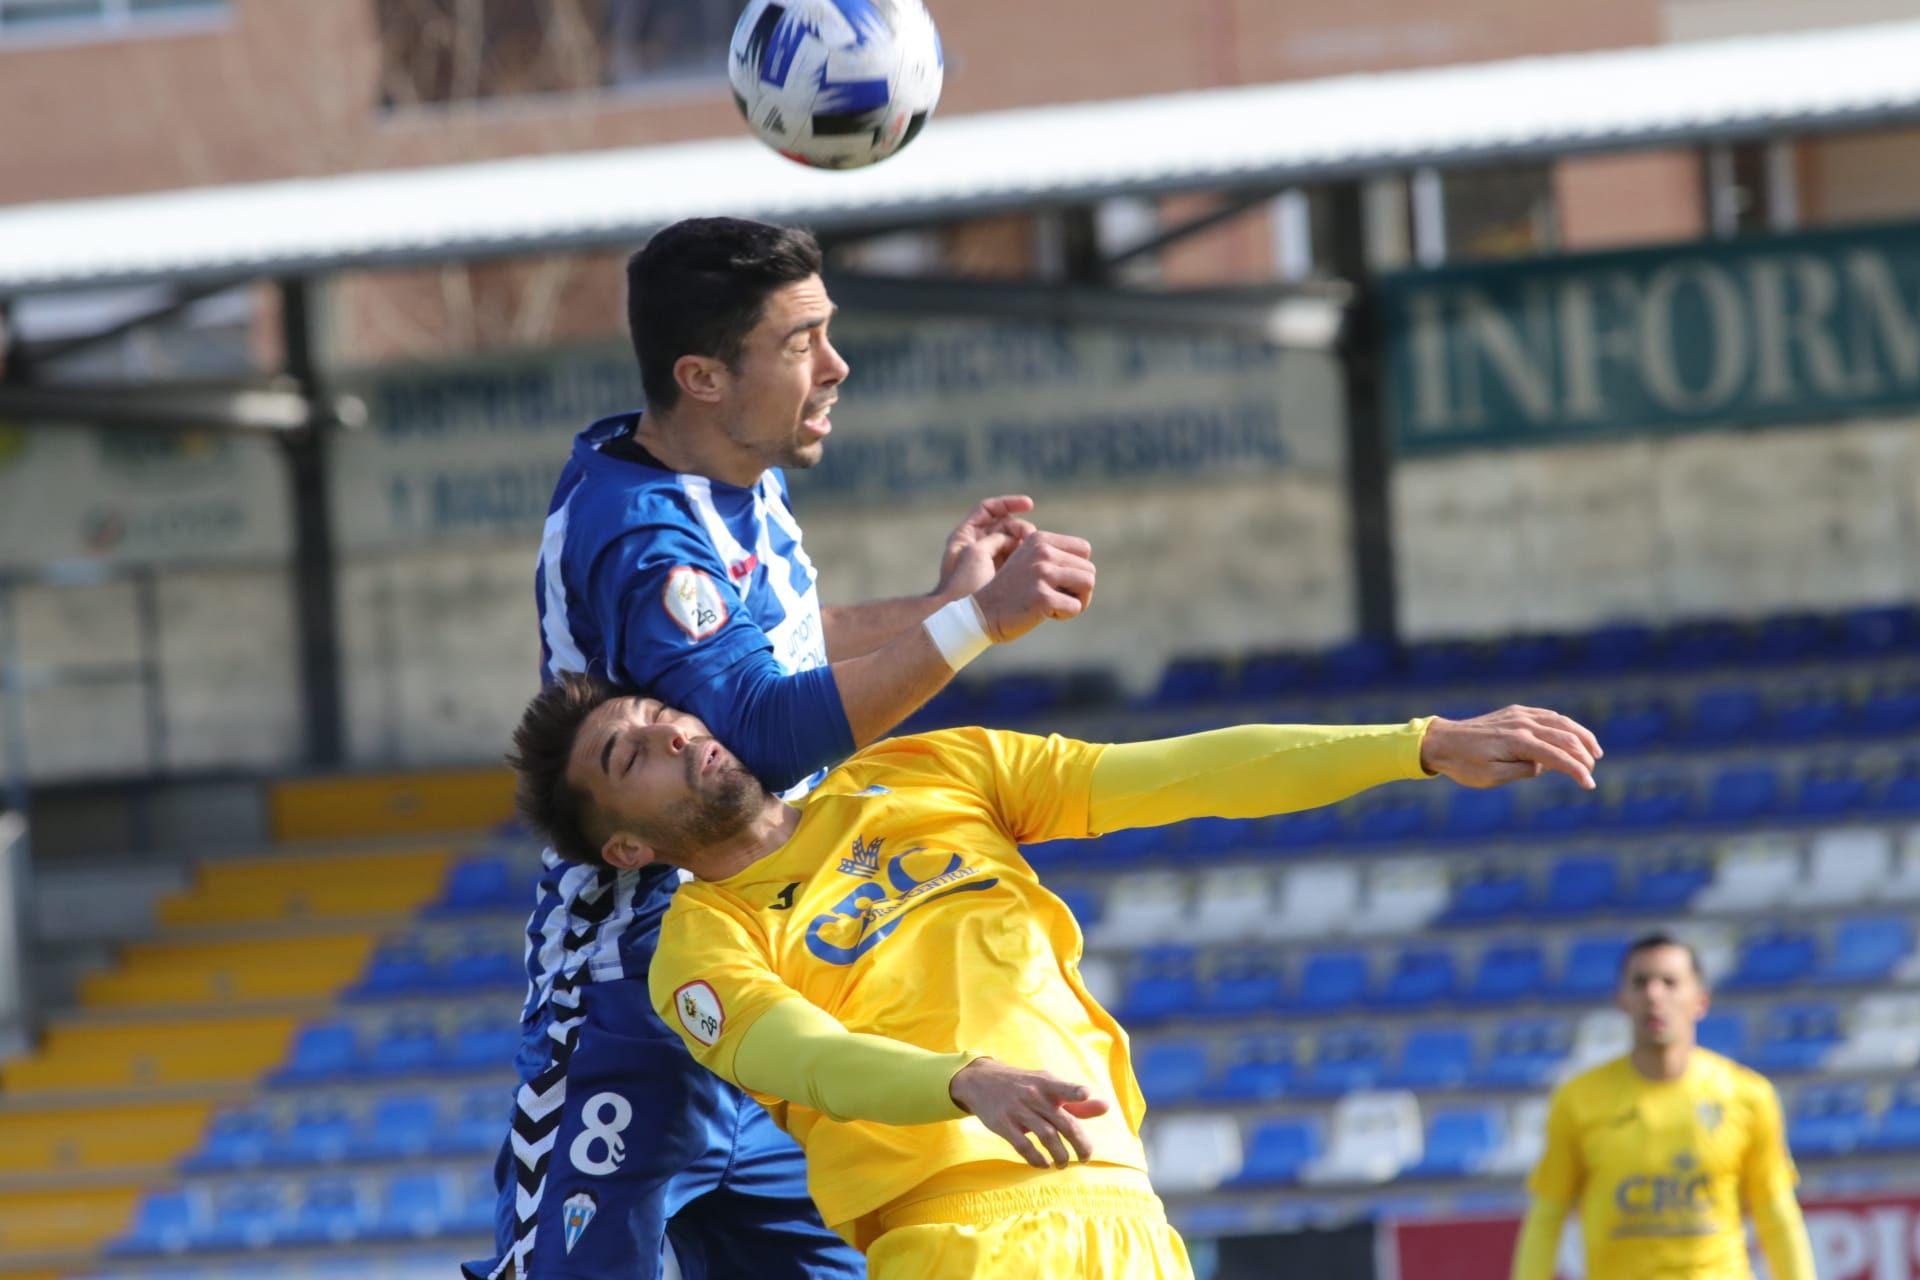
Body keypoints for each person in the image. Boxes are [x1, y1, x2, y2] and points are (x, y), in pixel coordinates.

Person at [469, 217, 1096, 1280]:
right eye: (803, 339)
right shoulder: (642, 537)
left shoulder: (734, 477)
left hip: (770, 966)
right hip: (639, 997)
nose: (836, 364)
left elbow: (776, 640)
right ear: (704, 375)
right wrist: (974, 624)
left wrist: (936, 605)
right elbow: (756, 723)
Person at [504, 676, 1603, 1277]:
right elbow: (806, 1056)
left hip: (1125, 1210)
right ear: (626, 847)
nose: (677, 737)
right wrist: (962, 1080)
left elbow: (1179, 772)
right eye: (631, 754)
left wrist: (1412, 742)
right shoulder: (700, 945)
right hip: (959, 1236)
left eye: (665, 716)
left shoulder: (928, 771)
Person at [1511, 933, 1815, 1280]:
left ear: (1700, 1001)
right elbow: (1546, 1216)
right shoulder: (1578, 1101)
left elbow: (1776, 1214)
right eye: (1640, 983)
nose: (1654, 995)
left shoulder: (1747, 1096)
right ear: (1622, 999)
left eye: (1670, 982)